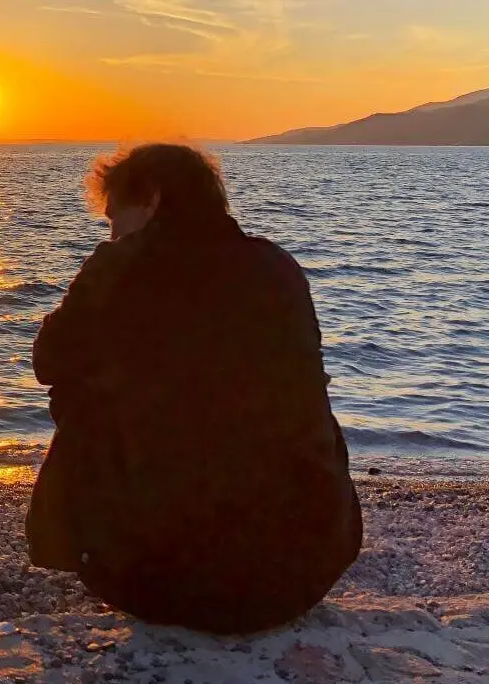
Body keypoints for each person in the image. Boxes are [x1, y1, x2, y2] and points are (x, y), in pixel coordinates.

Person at [26, 143, 362, 635]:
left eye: (114, 218)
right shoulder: (276, 267)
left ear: (152, 201)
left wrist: (107, 265)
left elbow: (47, 361)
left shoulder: (120, 268)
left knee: (77, 395)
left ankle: (90, 544)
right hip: (304, 574)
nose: (112, 234)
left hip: (159, 587)